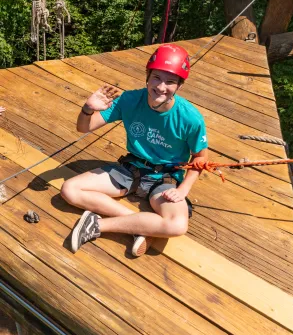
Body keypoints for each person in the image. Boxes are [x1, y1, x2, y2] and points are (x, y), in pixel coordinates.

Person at [62, 44, 208, 256]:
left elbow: (200, 157)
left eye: (170, 82)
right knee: (70, 189)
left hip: (165, 177)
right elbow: (84, 127)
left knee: (177, 225)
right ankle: (140, 226)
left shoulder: (189, 118)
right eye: (156, 78)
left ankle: (98, 225)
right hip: (131, 168)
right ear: (147, 75)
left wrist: (183, 190)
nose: (161, 87)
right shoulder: (129, 100)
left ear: (179, 86)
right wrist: (88, 109)